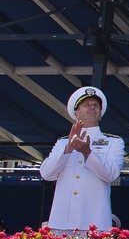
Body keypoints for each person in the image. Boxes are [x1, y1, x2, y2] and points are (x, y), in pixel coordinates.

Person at [39, 87, 124, 231]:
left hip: (94, 223)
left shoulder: (113, 142)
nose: (92, 107)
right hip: (61, 223)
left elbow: (110, 174)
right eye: (86, 105)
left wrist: (88, 153)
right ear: (77, 113)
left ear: (100, 114)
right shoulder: (62, 142)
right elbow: (46, 174)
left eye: (95, 105)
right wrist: (68, 149)